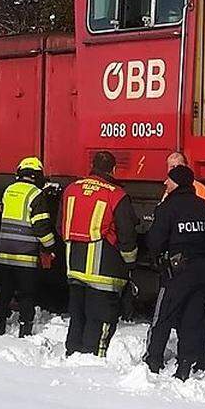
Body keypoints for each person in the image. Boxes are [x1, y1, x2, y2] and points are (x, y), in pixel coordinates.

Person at [61, 151, 139, 357]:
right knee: (100, 323)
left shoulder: (71, 189)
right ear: (113, 169)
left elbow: (61, 225)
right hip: (105, 272)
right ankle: (92, 361)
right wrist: (130, 263)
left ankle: (72, 354)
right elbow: (127, 234)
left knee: (78, 318)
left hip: (75, 269)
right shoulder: (116, 194)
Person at [144, 164, 205, 380]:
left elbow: (155, 241)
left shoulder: (168, 207)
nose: (165, 183)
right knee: (192, 318)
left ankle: (153, 360)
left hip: (177, 272)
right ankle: (188, 363)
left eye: (169, 179)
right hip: (202, 270)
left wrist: (158, 258)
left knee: (163, 316)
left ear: (176, 182)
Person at [0, 157, 56, 337]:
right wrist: (50, 246)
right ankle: (24, 330)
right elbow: (41, 227)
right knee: (26, 295)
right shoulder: (36, 195)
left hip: (5, 254)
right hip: (25, 256)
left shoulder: (8, 190)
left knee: (4, 293)